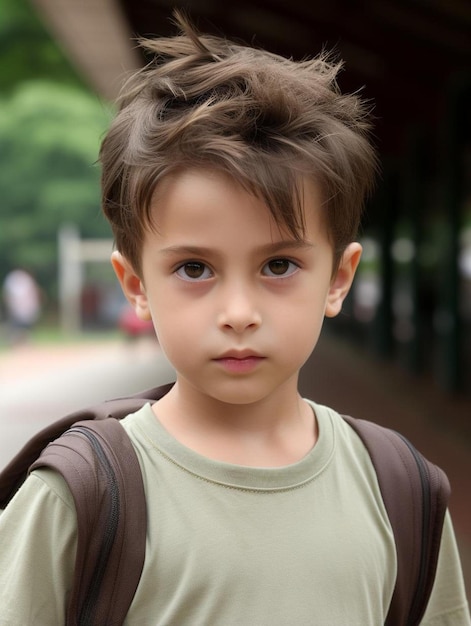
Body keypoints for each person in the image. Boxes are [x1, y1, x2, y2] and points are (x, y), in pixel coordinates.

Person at [0, 13, 469, 625]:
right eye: (195, 269)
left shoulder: (401, 490)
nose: (239, 314)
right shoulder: (83, 495)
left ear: (338, 279)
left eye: (278, 265)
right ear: (136, 286)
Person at [2, 268, 41, 344]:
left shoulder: (23, 280)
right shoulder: (17, 279)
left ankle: (23, 340)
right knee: (18, 325)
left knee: (24, 325)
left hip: (25, 307)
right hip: (18, 307)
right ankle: (17, 340)